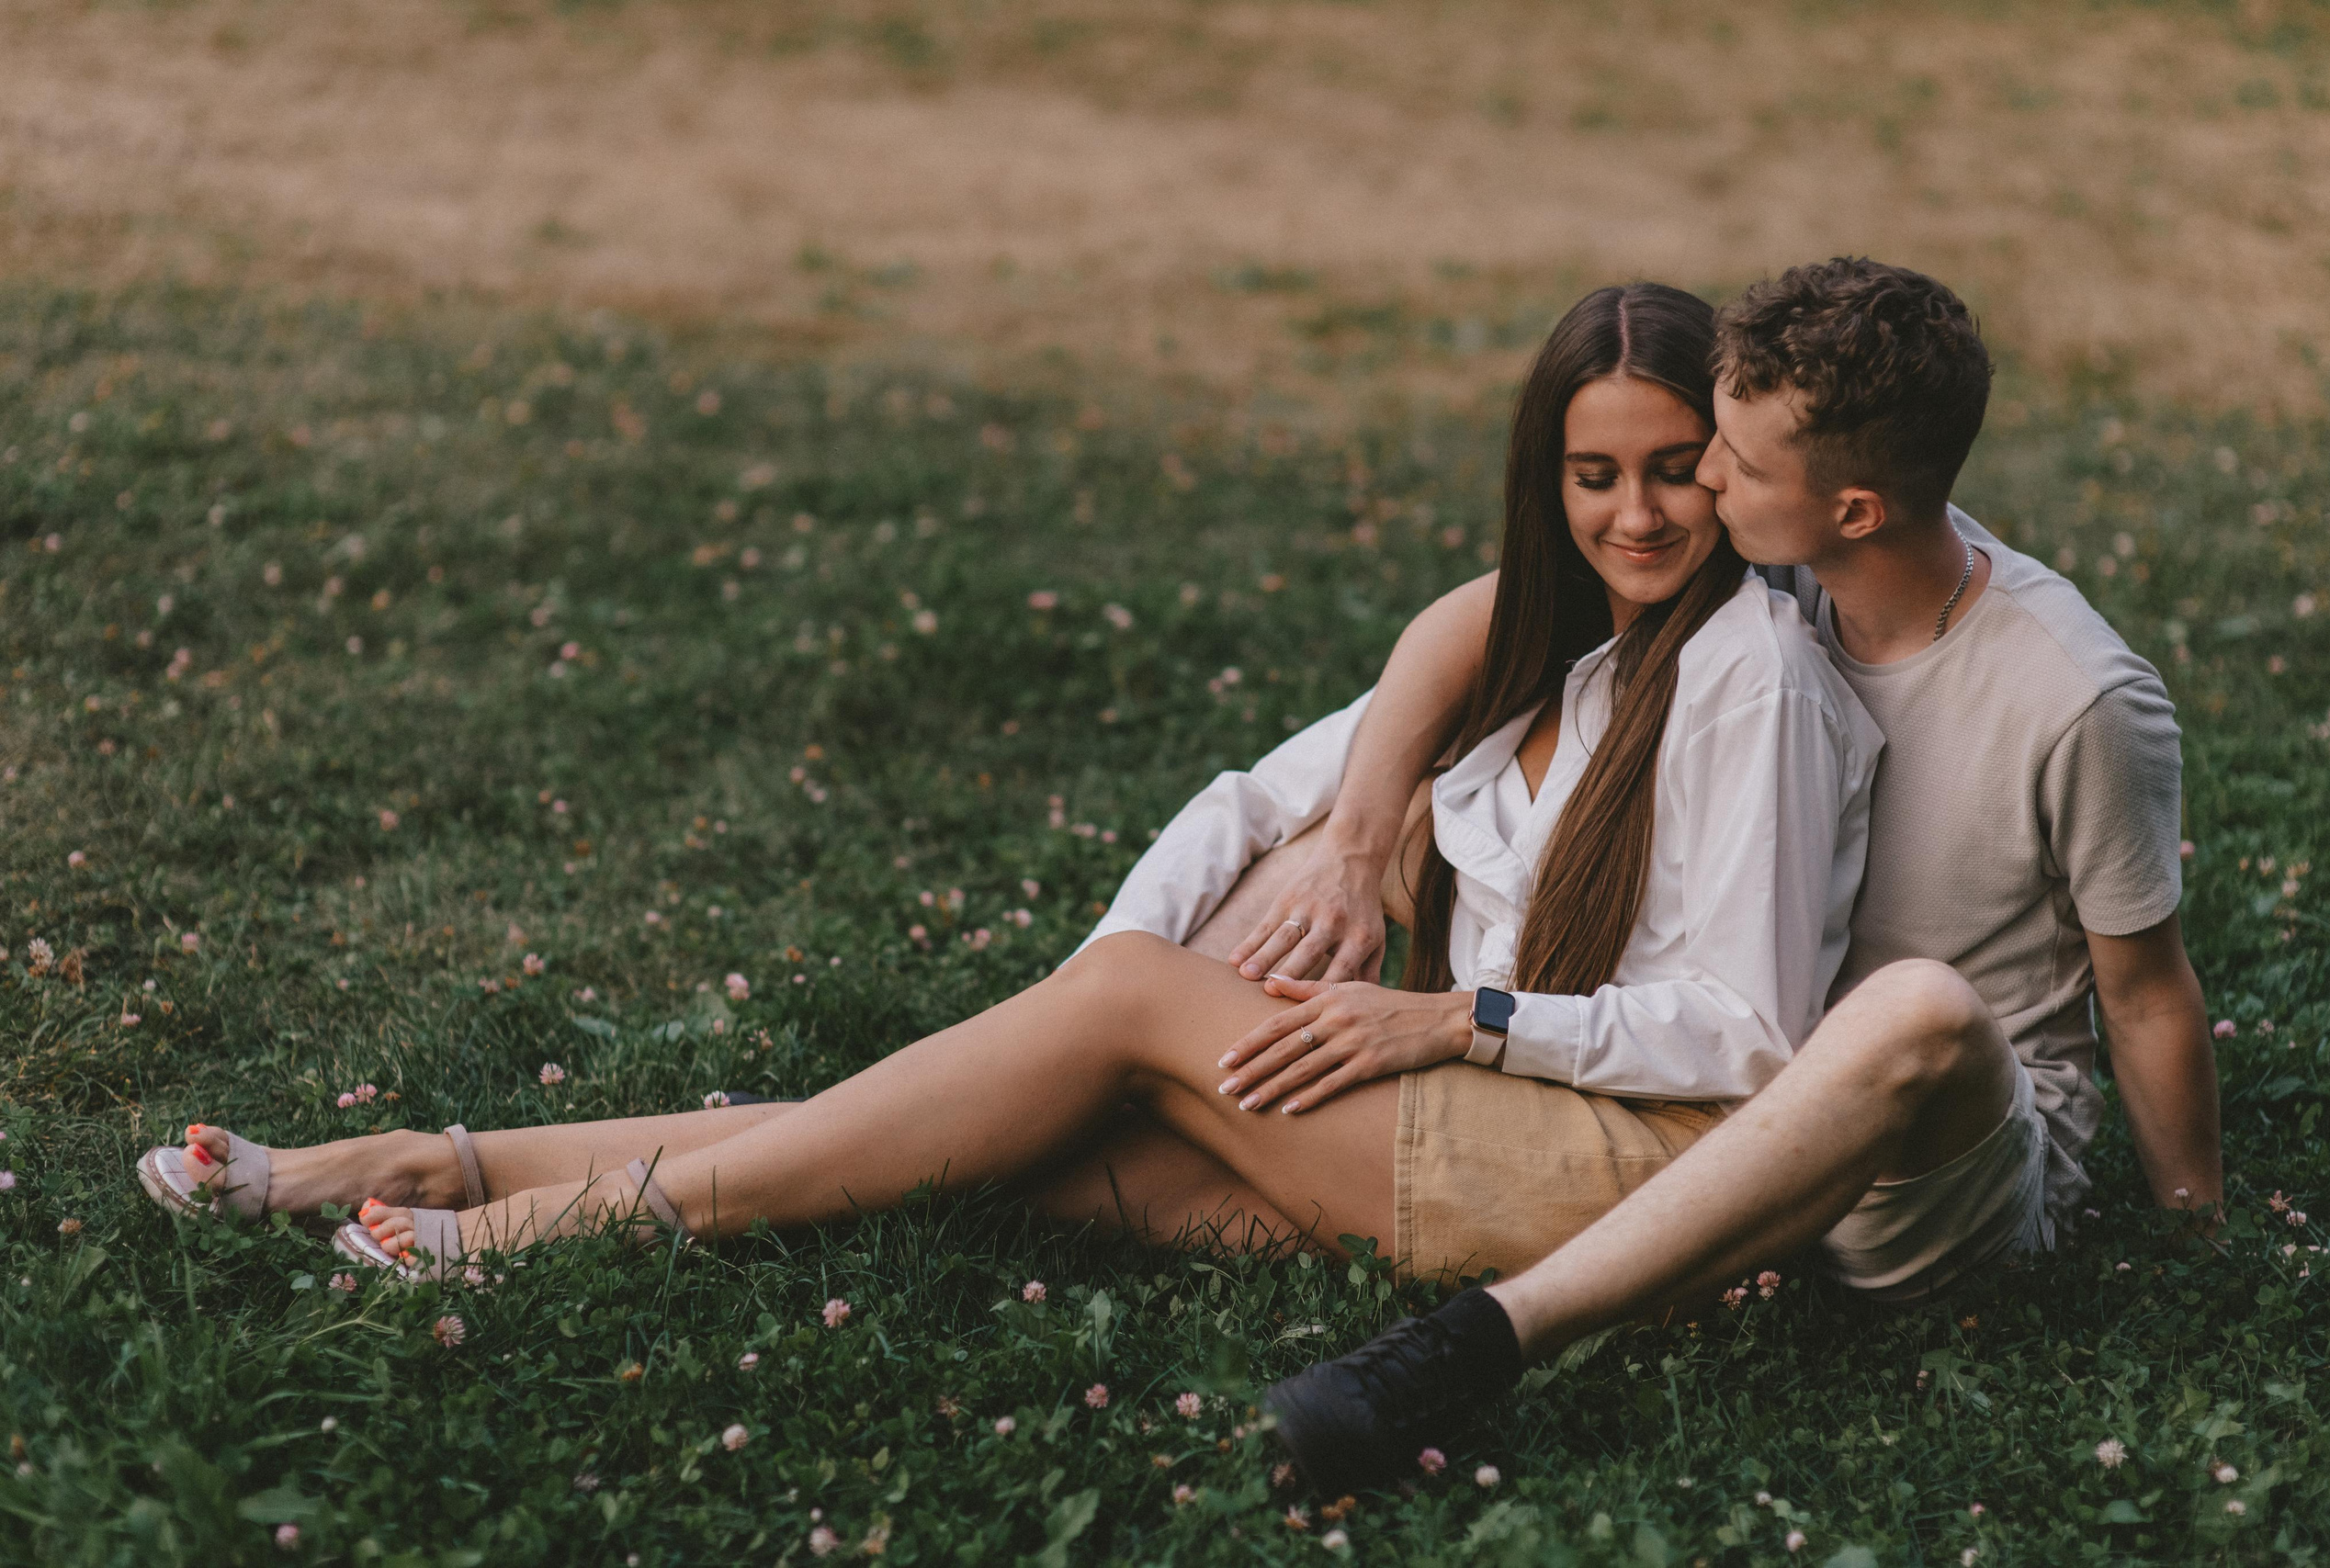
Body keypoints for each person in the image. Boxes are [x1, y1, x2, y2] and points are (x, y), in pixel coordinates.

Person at [132, 283, 1880, 1304]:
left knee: (1011, 1082)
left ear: (1730, 472)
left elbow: (1759, 1040)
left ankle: (530, 1233)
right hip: (1476, 1143)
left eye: (1674, 473)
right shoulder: (1552, 655)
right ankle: (414, 1163)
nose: (1638, 514)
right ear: (1543, 476)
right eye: (1595, 475)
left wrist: (1461, 1017)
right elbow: (1246, 799)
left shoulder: (1753, 679)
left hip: (1622, 1188)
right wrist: (1098, 996)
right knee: (932, 1150)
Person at [1252, 258, 2222, 1498]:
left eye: (1734, 466)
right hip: (1737, 1093)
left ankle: (1476, 1343)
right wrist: (1351, 840)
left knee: (1915, 1004)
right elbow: (1480, 615)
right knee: (1405, 820)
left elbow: (2145, 992)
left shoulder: (2078, 696)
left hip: (1945, 1162)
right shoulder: (1786, 569)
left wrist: (2196, 1244)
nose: (1701, 480)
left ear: (1856, 509)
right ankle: (1119, 1091)